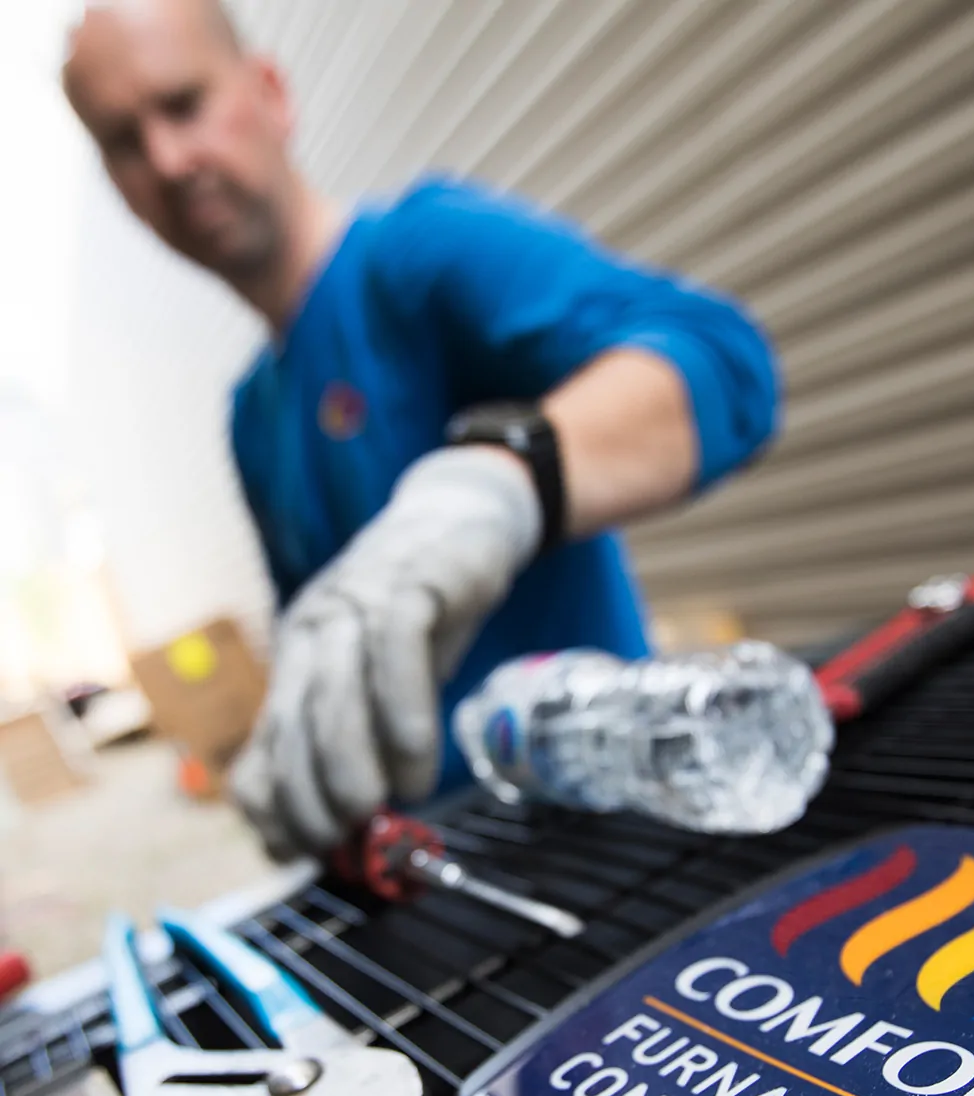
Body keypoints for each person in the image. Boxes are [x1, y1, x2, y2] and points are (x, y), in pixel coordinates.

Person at [63, 0, 779, 860]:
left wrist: (497, 484)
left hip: (606, 837)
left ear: (271, 93)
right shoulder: (252, 416)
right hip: (430, 879)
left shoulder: (422, 254)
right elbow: (325, 639)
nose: (171, 160)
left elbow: (725, 360)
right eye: (123, 142)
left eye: (183, 105)